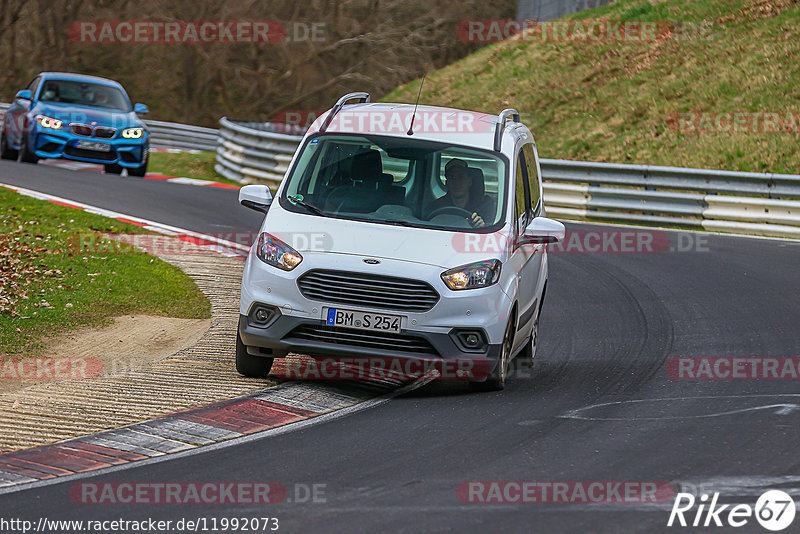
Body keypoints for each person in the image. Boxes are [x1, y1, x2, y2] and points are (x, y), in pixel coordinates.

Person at [425, 158, 494, 227]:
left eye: (461, 177)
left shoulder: (485, 205)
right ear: (447, 183)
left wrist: (483, 226)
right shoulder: (435, 207)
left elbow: (494, 230)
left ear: (469, 182)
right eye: (452, 177)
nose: (457, 182)